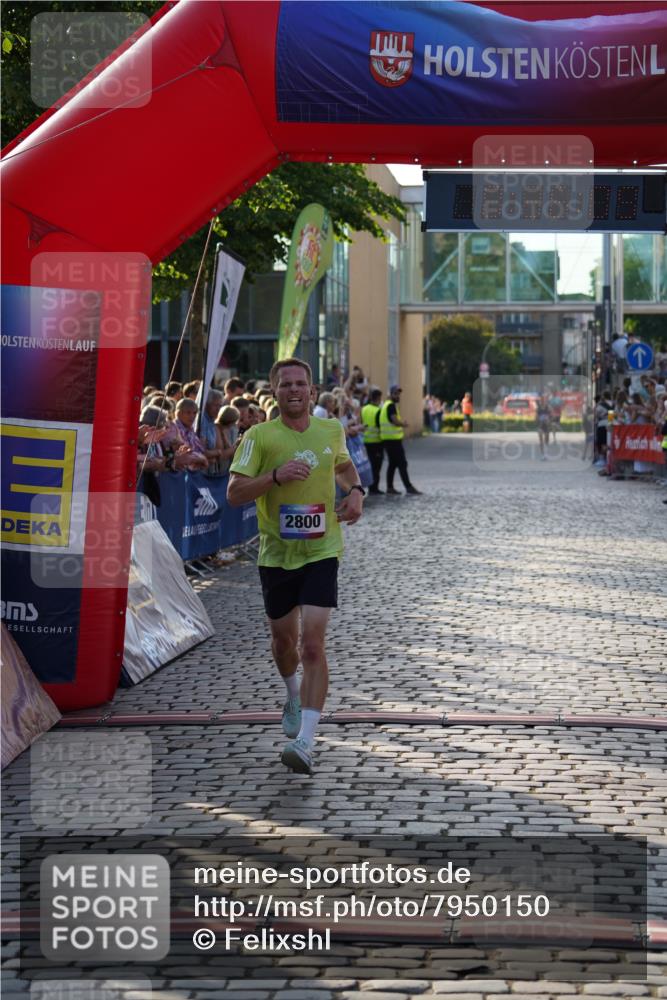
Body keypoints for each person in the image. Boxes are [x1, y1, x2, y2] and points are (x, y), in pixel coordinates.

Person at [227, 358, 365, 775]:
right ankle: (291, 693)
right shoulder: (259, 436)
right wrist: (275, 476)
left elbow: (341, 464)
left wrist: (355, 491)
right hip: (277, 555)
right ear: (274, 392)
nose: (293, 390)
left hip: (323, 549)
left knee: (312, 646)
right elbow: (234, 493)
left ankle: (305, 740)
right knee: (284, 645)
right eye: (285, 384)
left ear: (311, 389)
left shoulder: (331, 429)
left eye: (300, 384)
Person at [379, 385, 422, 495]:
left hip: (388, 440)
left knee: (393, 464)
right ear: (391, 394)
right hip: (393, 441)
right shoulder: (391, 406)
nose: (398, 396)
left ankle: (390, 488)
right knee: (402, 463)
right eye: (396, 394)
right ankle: (408, 487)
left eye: (398, 394)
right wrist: (404, 424)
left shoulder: (385, 405)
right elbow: (394, 421)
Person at [361, 388, 384, 494]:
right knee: (377, 466)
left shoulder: (364, 409)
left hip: (366, 441)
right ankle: (374, 488)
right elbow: (380, 427)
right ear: (378, 398)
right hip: (376, 442)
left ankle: (371, 486)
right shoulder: (378, 410)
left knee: (369, 464)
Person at [536, 393, 551, 460]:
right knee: (541, 440)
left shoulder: (548, 407)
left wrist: (548, 419)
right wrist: (539, 418)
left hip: (547, 425)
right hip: (540, 425)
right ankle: (543, 455)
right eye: (541, 400)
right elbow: (535, 418)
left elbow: (552, 416)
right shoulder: (538, 408)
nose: (542, 401)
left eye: (543, 399)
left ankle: (546, 454)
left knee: (546, 440)